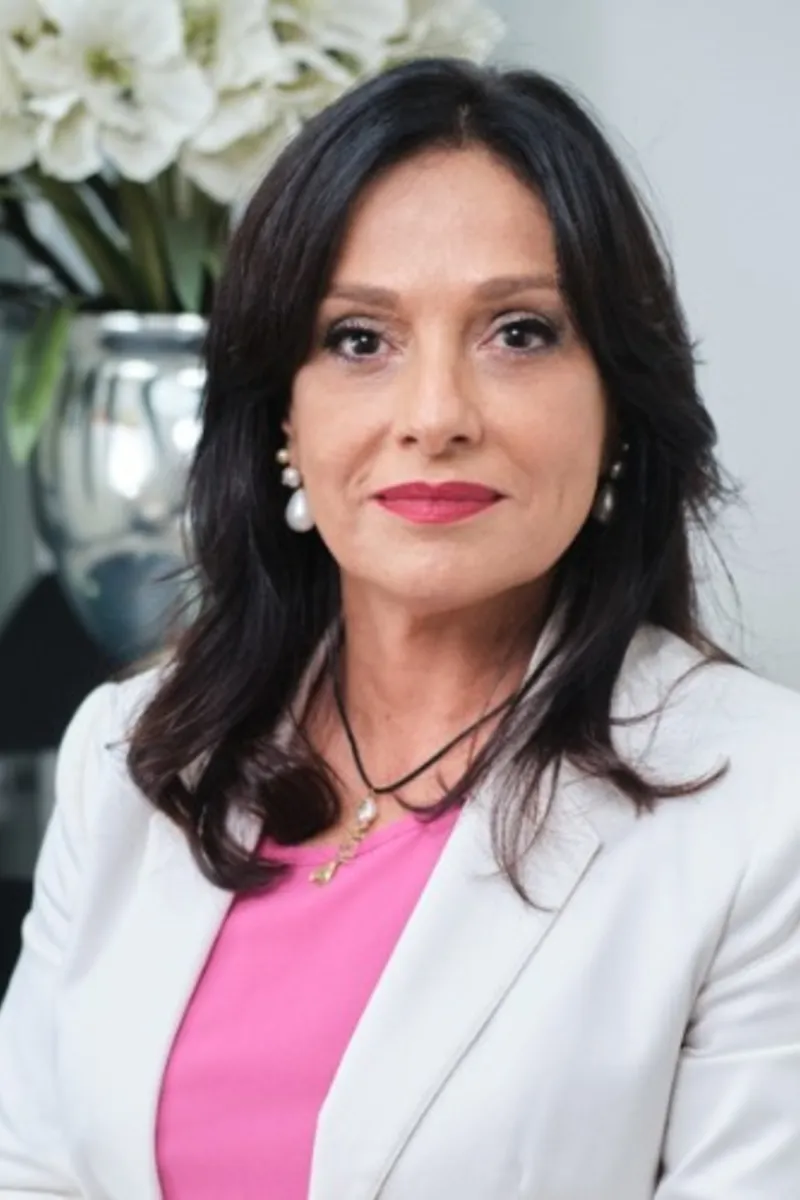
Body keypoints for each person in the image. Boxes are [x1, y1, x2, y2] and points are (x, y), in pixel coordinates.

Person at [1, 56, 799, 1200]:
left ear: (619, 407)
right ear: (282, 416)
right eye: (358, 340)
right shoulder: (129, 757)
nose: (434, 417)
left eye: (517, 332)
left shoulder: (763, 806)